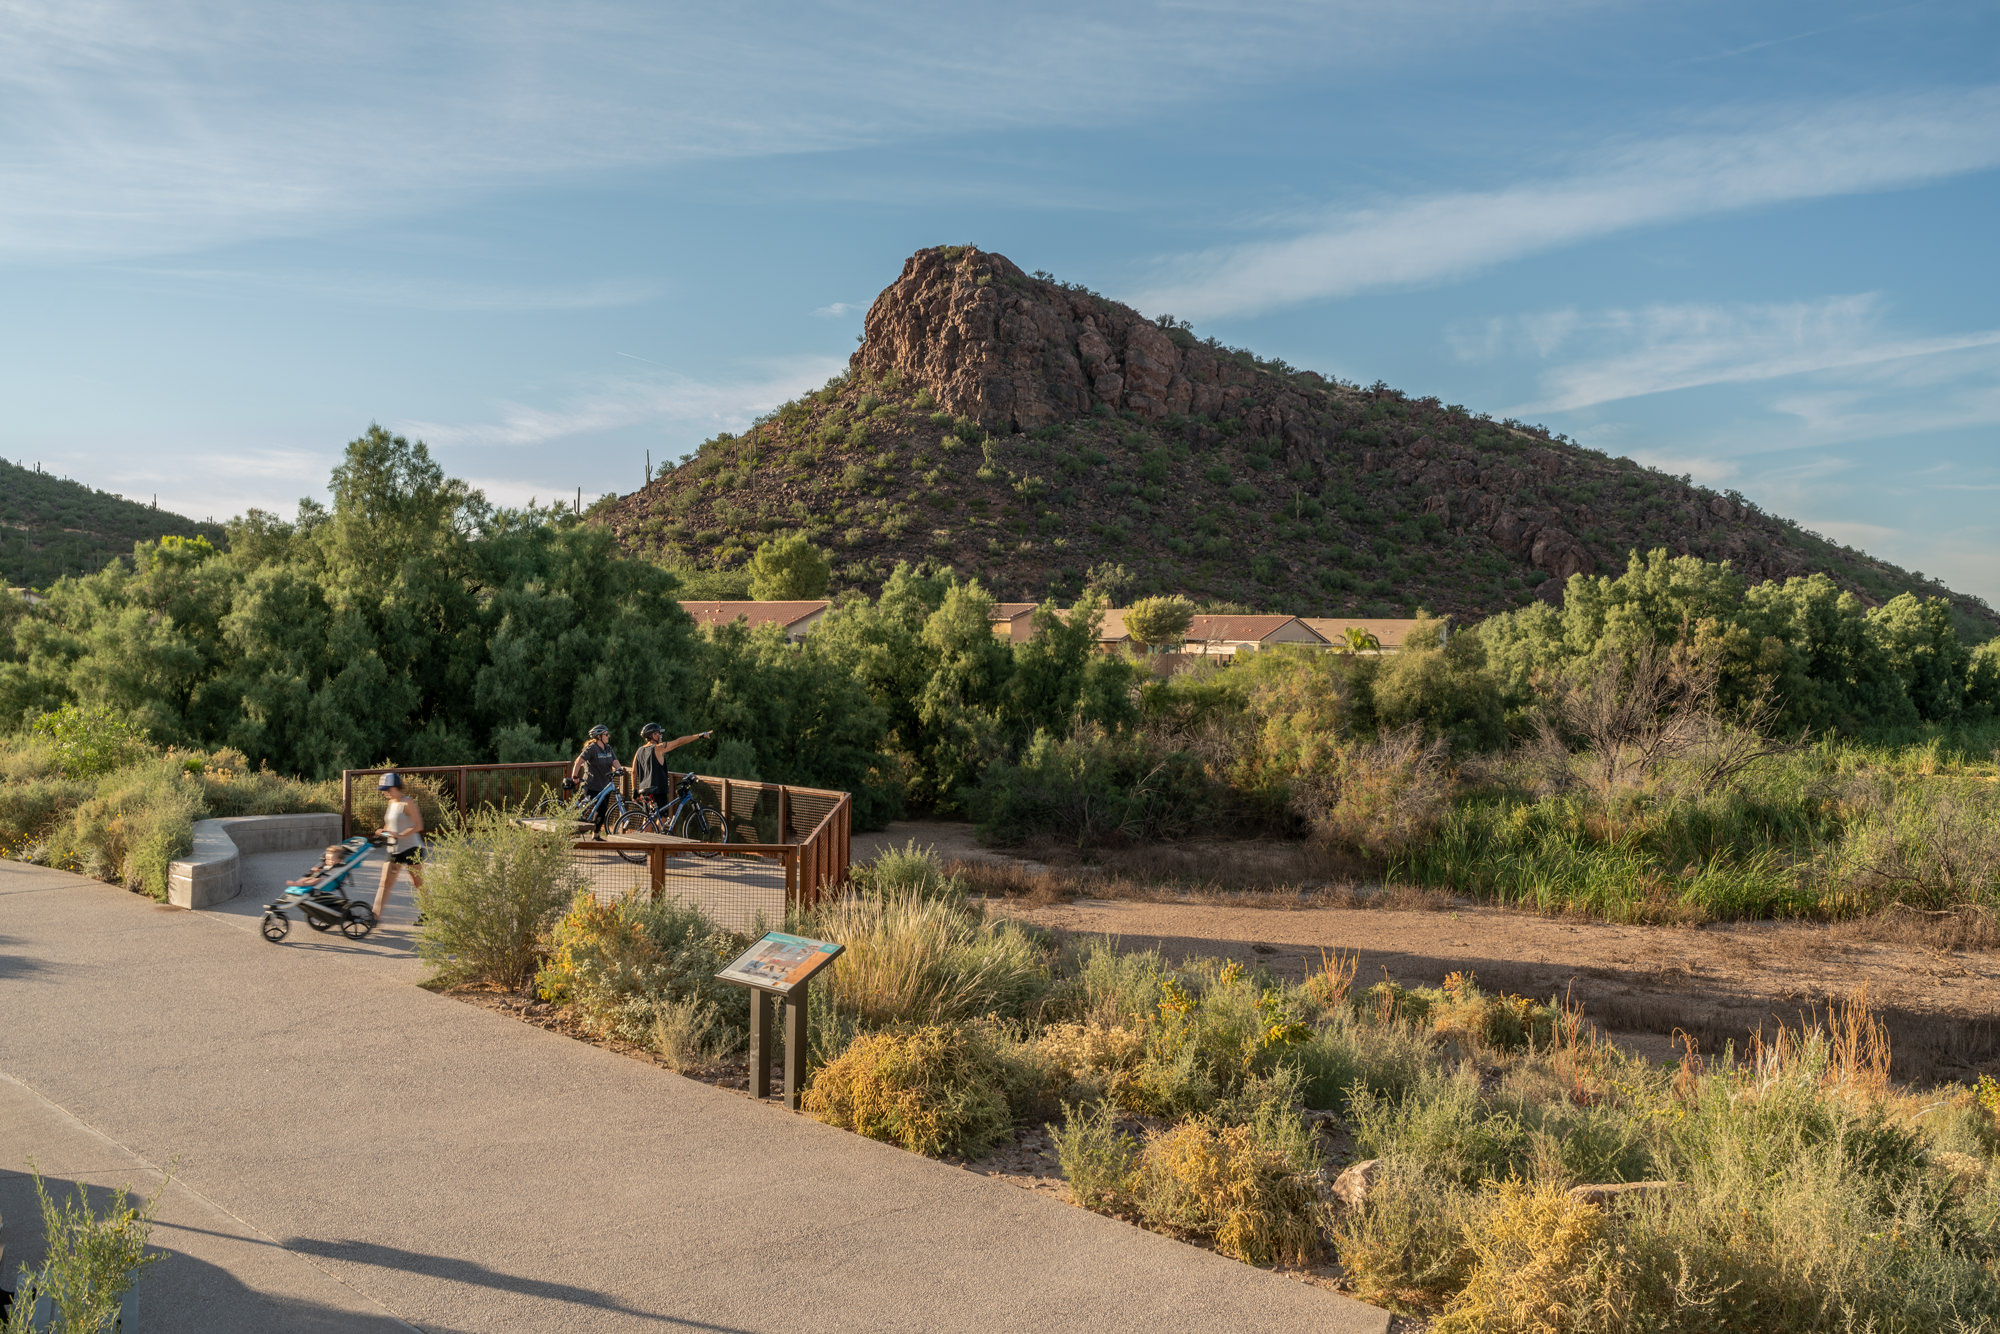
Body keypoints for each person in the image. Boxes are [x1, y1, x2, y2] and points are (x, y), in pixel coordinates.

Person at [372, 772, 424, 923]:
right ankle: (374, 916)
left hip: (411, 848)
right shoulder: (391, 803)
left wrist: (400, 835)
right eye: (384, 789)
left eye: (388, 789)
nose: (385, 792)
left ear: (396, 787)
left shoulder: (408, 803)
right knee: (384, 883)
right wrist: (383, 831)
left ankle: (429, 913)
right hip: (393, 849)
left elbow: (418, 825)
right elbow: (389, 824)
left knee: (418, 883)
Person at [630, 723, 715, 814]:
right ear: (653, 735)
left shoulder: (639, 751)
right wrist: (700, 735)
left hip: (645, 791)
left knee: (648, 819)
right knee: (662, 818)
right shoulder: (658, 748)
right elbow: (679, 741)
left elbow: (634, 772)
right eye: (659, 733)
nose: (661, 735)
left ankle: (645, 829)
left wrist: (634, 791)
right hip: (658, 790)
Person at [570, 725, 624, 824]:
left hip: (604, 785)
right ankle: (572, 822)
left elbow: (614, 761)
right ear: (599, 736)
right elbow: (578, 762)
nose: (609, 736)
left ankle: (596, 835)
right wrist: (574, 777)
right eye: (606, 734)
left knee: (601, 811)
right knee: (586, 809)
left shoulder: (608, 748)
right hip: (591, 785)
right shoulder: (592, 748)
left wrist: (620, 769)